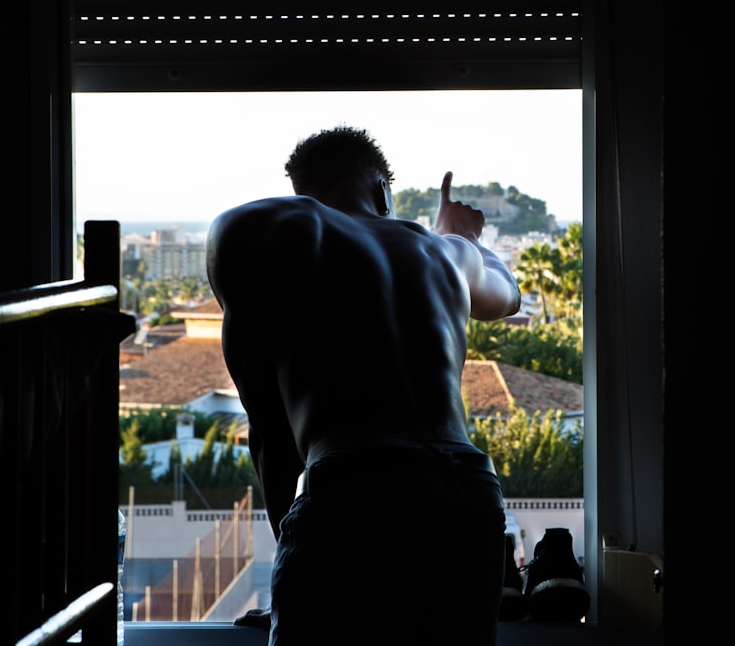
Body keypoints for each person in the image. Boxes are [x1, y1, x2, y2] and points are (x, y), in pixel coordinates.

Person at [205, 125, 522, 645]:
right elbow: (506, 294)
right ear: (382, 190)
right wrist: (461, 233)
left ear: (302, 187)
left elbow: (269, 427)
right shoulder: (443, 252)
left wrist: (294, 568)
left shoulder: (264, 226)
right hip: (469, 490)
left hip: (356, 485)